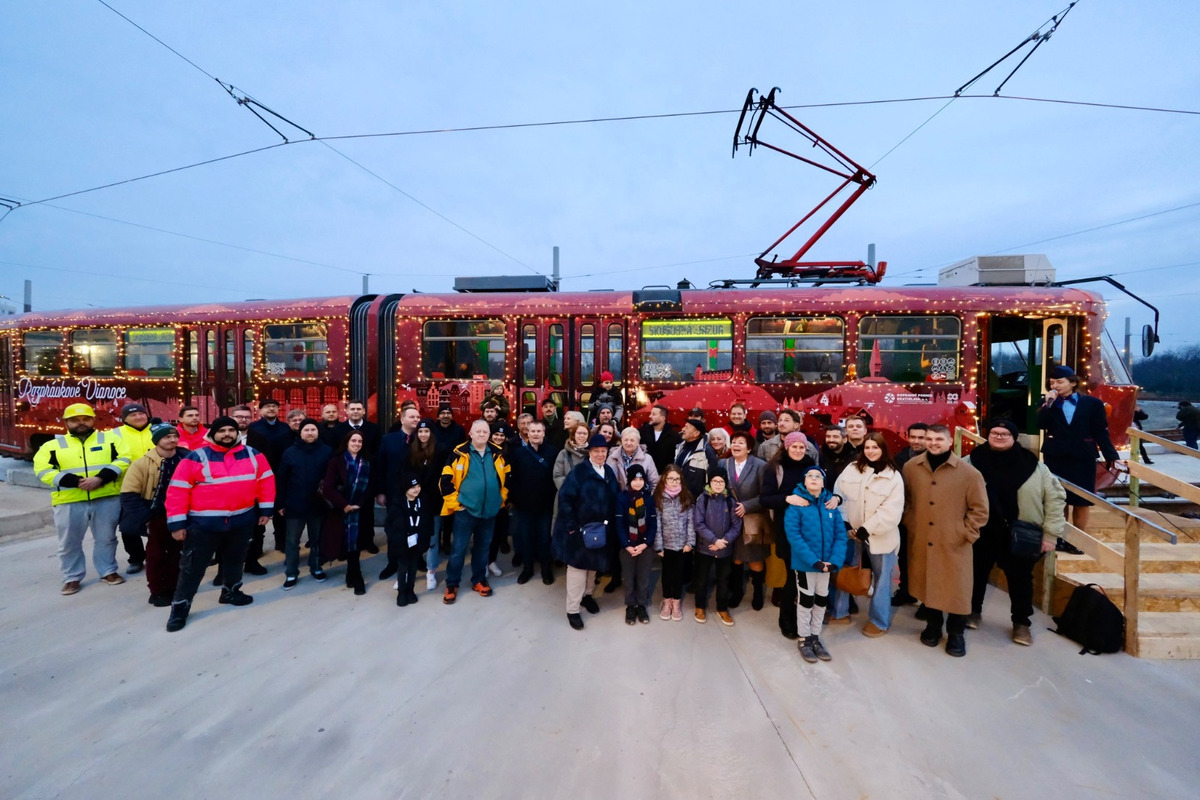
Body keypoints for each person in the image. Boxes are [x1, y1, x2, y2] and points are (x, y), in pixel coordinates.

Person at [164, 415, 274, 632]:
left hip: (241, 521)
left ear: (237, 434)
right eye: (222, 431)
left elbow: (266, 482)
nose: (227, 434)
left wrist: (266, 510)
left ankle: (231, 591)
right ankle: (180, 608)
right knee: (192, 568)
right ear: (213, 433)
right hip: (203, 525)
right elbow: (177, 491)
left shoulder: (254, 455)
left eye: (231, 431)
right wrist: (177, 524)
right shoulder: (196, 457)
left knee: (235, 561)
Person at [965, 420, 1066, 646]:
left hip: (1019, 533)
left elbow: (1055, 499)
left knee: (1020, 580)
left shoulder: (1035, 467)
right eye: (994, 432)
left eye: (1005, 434)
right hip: (981, 531)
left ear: (1014, 437)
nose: (999, 436)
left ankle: (1021, 623)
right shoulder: (971, 462)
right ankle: (972, 611)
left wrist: (1051, 535)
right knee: (976, 574)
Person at [902, 424, 989, 657]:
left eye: (938, 439)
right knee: (928, 584)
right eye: (929, 439)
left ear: (950, 441)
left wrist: (966, 533)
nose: (933, 443)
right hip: (922, 537)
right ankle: (933, 626)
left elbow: (980, 510)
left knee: (956, 588)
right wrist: (911, 522)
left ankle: (956, 632)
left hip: (954, 541)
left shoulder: (969, 473)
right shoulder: (911, 467)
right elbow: (907, 500)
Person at [34, 402, 131, 595]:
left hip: (105, 497)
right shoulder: (52, 445)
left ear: (93, 420)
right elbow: (42, 470)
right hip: (69, 500)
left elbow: (124, 459)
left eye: (85, 419)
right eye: (75, 420)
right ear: (66, 423)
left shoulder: (109, 439)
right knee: (69, 542)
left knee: (107, 538)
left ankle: (108, 571)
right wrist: (74, 482)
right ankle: (72, 577)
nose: (81, 423)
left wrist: (101, 478)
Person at [831, 433, 904, 636]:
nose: (871, 451)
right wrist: (845, 522)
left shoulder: (893, 476)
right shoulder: (852, 469)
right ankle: (839, 612)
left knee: (882, 579)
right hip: (850, 534)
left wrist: (866, 529)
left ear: (883, 450)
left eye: (875, 447)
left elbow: (892, 510)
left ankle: (879, 621)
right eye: (867, 447)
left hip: (880, 537)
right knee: (845, 571)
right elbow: (839, 495)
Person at [1037, 365, 1120, 537]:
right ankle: (1060, 536)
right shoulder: (1047, 403)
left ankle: (1078, 539)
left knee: (1082, 500)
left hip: (1083, 457)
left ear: (1073, 383)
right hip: (1056, 456)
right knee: (1059, 500)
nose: (1055, 386)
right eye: (1052, 383)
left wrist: (1112, 456)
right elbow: (1040, 424)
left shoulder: (1092, 403)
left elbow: (1100, 431)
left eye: (1060, 382)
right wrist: (1047, 404)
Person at [552, 433, 619, 630]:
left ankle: (587, 596)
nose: (600, 454)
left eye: (603, 451)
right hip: (580, 530)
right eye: (596, 451)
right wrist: (572, 526)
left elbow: (614, 497)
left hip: (601, 529)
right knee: (577, 569)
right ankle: (572, 609)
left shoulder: (608, 471)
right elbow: (565, 499)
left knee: (593, 567)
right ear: (589, 452)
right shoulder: (579, 472)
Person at [439, 419, 510, 604]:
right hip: (465, 512)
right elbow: (445, 481)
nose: (481, 434)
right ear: (470, 434)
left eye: (485, 431)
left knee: (482, 548)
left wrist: (500, 499)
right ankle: (452, 583)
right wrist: (456, 504)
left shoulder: (497, 453)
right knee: (458, 550)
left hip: (489, 512)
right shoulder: (458, 453)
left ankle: (478, 580)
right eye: (477, 431)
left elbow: (507, 478)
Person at [784, 465, 848, 663]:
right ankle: (804, 638)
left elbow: (840, 535)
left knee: (821, 600)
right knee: (806, 600)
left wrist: (834, 561)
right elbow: (794, 536)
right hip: (807, 565)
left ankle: (815, 636)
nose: (814, 478)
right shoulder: (797, 506)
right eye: (809, 476)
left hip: (827, 565)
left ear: (823, 482)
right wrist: (814, 561)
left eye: (818, 476)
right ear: (804, 481)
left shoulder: (830, 506)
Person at [120, 423, 188, 606]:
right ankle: (157, 590)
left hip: (183, 513)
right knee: (156, 554)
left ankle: (175, 587)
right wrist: (146, 518)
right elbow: (128, 495)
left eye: (175, 436)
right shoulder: (141, 464)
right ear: (157, 440)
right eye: (167, 437)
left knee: (177, 553)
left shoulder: (187, 458)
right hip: (156, 514)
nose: (172, 440)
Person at [760, 432, 818, 638]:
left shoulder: (811, 468)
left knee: (806, 578)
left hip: (811, 531)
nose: (798, 450)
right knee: (794, 578)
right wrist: (788, 498)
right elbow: (765, 499)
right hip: (787, 532)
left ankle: (803, 617)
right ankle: (787, 620)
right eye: (795, 446)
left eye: (802, 447)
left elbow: (821, 492)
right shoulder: (774, 469)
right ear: (786, 446)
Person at [276, 418, 333, 590]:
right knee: (292, 542)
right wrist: (279, 503)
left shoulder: (327, 451)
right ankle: (292, 572)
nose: (310, 433)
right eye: (306, 430)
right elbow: (282, 480)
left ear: (318, 432)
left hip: (317, 504)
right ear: (300, 433)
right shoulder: (290, 453)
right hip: (294, 504)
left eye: (313, 430)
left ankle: (316, 567)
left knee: (316, 539)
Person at [319, 430, 373, 595]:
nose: (357, 444)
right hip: (340, 509)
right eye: (353, 441)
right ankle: (354, 576)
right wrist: (345, 505)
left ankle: (354, 575)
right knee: (345, 543)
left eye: (360, 441)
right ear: (347, 442)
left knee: (355, 544)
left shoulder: (367, 462)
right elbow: (327, 487)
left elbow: (370, 485)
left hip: (359, 510)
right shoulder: (336, 461)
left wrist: (358, 504)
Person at [722, 431, 770, 610]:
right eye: (733, 442)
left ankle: (758, 592)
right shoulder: (723, 464)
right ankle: (737, 591)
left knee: (755, 558)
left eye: (740, 443)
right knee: (735, 559)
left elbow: (765, 494)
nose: (736, 445)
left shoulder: (760, 466)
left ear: (749, 448)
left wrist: (747, 506)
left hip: (752, 519)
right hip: (730, 520)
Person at [508, 418, 560, 585]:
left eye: (539, 431)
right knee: (526, 537)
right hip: (524, 506)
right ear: (527, 433)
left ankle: (546, 569)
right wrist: (515, 499)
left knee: (545, 538)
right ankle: (527, 568)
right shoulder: (518, 454)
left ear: (544, 433)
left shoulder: (553, 452)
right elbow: (512, 479)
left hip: (546, 505)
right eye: (533, 431)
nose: (536, 434)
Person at [402, 419, 449, 590]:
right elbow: (405, 473)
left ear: (432, 433)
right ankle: (408, 570)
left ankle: (431, 571)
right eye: (420, 432)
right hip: (415, 500)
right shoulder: (411, 450)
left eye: (427, 431)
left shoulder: (441, 450)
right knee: (412, 536)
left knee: (433, 538)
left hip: (435, 502)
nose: (423, 435)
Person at [246, 398, 292, 570]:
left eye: (274, 406)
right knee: (259, 513)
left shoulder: (285, 428)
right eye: (267, 407)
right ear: (260, 410)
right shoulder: (254, 429)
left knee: (281, 509)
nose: (271, 409)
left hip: (281, 472)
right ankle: (256, 548)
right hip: (260, 474)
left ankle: (281, 541)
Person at [692, 467, 742, 626]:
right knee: (701, 579)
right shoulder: (703, 499)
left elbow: (736, 526)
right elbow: (698, 524)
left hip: (724, 549)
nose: (718, 484)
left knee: (723, 580)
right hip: (704, 548)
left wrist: (723, 541)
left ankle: (722, 608)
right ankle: (699, 606)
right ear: (710, 482)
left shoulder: (730, 501)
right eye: (715, 481)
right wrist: (714, 540)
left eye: (721, 481)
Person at [111, 402, 154, 574]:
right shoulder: (114, 435)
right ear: (124, 419)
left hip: (156, 487)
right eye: (133, 415)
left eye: (141, 414)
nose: (138, 417)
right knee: (129, 528)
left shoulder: (157, 429)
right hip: (128, 488)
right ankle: (136, 558)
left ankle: (155, 556)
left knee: (157, 526)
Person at [375, 405, 422, 559]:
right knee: (394, 528)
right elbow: (380, 466)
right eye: (412, 417)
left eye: (417, 417)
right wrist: (380, 491)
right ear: (402, 419)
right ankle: (393, 561)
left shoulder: (422, 439)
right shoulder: (388, 439)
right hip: (393, 492)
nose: (416, 419)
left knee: (416, 526)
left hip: (416, 493)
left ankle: (417, 559)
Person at [892, 422, 928, 606]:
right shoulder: (900, 458)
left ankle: (927, 601)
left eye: (921, 437)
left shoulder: (935, 458)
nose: (916, 441)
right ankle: (906, 591)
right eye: (913, 437)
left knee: (927, 560)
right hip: (905, 517)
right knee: (905, 557)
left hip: (929, 518)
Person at [616, 464, 657, 625]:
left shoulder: (648, 498)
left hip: (644, 546)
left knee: (643, 577)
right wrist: (626, 544)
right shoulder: (622, 497)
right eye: (635, 479)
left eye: (641, 479)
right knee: (629, 577)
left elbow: (653, 523)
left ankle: (641, 604)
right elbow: (619, 523)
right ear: (629, 481)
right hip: (628, 546)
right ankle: (630, 605)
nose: (638, 483)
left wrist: (645, 544)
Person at [653, 464, 695, 621]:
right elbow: (656, 523)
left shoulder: (686, 496)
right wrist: (658, 545)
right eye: (670, 478)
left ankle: (676, 602)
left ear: (681, 480)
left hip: (682, 544)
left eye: (677, 479)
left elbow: (691, 521)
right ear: (664, 479)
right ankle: (667, 600)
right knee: (667, 574)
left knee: (678, 575)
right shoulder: (658, 497)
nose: (673, 482)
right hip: (666, 544)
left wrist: (690, 542)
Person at [390, 474, 434, 607]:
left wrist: (426, 538)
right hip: (402, 542)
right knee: (403, 568)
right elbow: (391, 524)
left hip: (417, 542)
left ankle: (410, 590)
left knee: (413, 567)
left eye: (418, 486)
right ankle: (401, 592)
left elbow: (428, 521)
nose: (416, 490)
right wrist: (396, 540)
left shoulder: (423, 501)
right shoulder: (398, 503)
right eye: (412, 487)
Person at [484, 423, 514, 578]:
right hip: (485, 502)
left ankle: (491, 561)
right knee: (483, 534)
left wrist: (508, 498)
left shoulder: (507, 453)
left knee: (497, 533)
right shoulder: (484, 451)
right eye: (496, 435)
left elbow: (510, 478)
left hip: (501, 502)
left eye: (502, 435)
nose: (499, 438)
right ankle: (482, 562)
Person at [674, 417, 718, 498]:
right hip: (678, 497)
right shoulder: (680, 447)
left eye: (687, 427)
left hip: (696, 501)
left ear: (696, 433)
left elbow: (712, 478)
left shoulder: (707, 452)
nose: (683, 429)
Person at [639, 404, 681, 474]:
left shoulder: (674, 436)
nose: (650, 416)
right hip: (644, 475)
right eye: (650, 414)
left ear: (662, 418)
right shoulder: (642, 432)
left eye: (654, 414)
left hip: (664, 477)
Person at [819, 425, 857, 490]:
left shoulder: (854, 458)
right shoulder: (821, 457)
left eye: (835, 437)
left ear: (845, 439)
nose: (831, 440)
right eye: (828, 436)